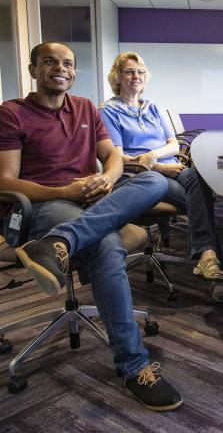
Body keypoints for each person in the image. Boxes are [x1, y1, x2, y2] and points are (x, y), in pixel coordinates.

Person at [0, 42, 183, 411]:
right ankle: (134, 367)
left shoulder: (84, 107)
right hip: (46, 202)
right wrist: (62, 189)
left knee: (156, 182)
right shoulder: (12, 113)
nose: (61, 68)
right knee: (106, 245)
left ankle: (60, 243)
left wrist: (110, 178)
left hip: (91, 196)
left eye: (68, 63)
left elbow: (111, 155)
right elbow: (6, 180)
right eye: (50, 62)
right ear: (34, 70)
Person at [99, 52, 223, 303]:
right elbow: (118, 157)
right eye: (129, 71)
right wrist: (157, 166)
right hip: (137, 177)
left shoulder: (153, 108)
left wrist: (155, 155)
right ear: (117, 77)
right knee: (201, 203)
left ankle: (207, 258)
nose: (136, 76)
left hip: (170, 170)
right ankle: (213, 271)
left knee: (197, 179)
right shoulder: (108, 111)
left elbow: (173, 145)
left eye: (140, 72)